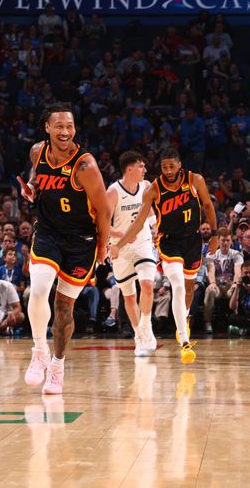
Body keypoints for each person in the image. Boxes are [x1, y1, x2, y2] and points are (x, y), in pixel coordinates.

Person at [16, 102, 111, 395]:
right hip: (48, 233)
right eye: (59, 126)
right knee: (39, 288)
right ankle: (39, 351)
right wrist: (31, 189)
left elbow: (104, 211)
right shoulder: (37, 151)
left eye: (69, 126)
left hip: (81, 241)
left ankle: (57, 366)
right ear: (47, 128)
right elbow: (36, 177)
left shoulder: (85, 165)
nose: (65, 131)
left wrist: (104, 248)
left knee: (63, 307)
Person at [115, 147, 218, 364]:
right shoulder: (153, 189)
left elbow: (208, 205)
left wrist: (215, 234)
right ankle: (184, 341)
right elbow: (139, 223)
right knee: (178, 285)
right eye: (164, 167)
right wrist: (119, 244)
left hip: (192, 239)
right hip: (169, 241)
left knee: (189, 288)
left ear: (180, 164)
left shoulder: (195, 180)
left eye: (172, 166)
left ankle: (184, 319)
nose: (168, 170)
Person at [107, 150, 158, 357]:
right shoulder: (113, 192)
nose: (145, 170)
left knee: (147, 283)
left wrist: (155, 228)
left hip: (143, 242)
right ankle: (138, 336)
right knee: (129, 296)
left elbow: (150, 212)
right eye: (141, 166)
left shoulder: (146, 186)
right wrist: (124, 235)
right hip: (120, 246)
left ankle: (147, 326)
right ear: (130, 169)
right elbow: (101, 225)